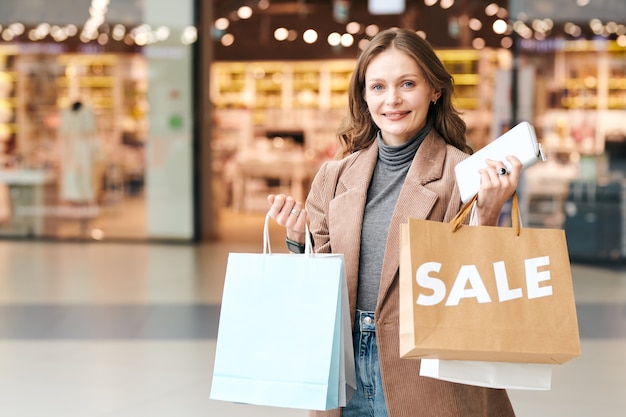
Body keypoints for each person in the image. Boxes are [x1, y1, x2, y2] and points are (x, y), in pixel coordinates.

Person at [267, 27, 521, 417]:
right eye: (378, 87)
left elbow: (476, 287)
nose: (393, 100)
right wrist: (298, 238)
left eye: (407, 84)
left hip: (425, 371)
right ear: (364, 96)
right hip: (343, 368)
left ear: (434, 90)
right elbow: (318, 285)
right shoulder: (334, 177)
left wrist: (487, 214)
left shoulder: (462, 173)